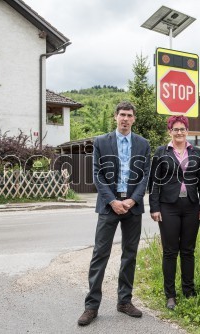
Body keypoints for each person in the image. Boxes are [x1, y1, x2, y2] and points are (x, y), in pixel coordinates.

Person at [77, 101, 151, 326]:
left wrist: (132, 199)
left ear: (134, 119)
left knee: (130, 254)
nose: (125, 119)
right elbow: (97, 174)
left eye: (129, 115)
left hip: (132, 206)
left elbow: (145, 174)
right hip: (109, 206)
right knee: (100, 253)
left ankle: (124, 301)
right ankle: (91, 306)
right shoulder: (101, 142)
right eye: (122, 115)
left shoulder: (143, 144)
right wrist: (112, 201)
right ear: (115, 117)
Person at [149, 115, 200, 310]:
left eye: (182, 129)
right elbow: (154, 182)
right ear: (170, 131)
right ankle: (170, 295)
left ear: (187, 131)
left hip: (191, 206)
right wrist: (154, 207)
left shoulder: (196, 152)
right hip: (168, 206)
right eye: (176, 129)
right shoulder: (161, 152)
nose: (179, 132)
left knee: (188, 251)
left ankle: (189, 290)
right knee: (170, 251)